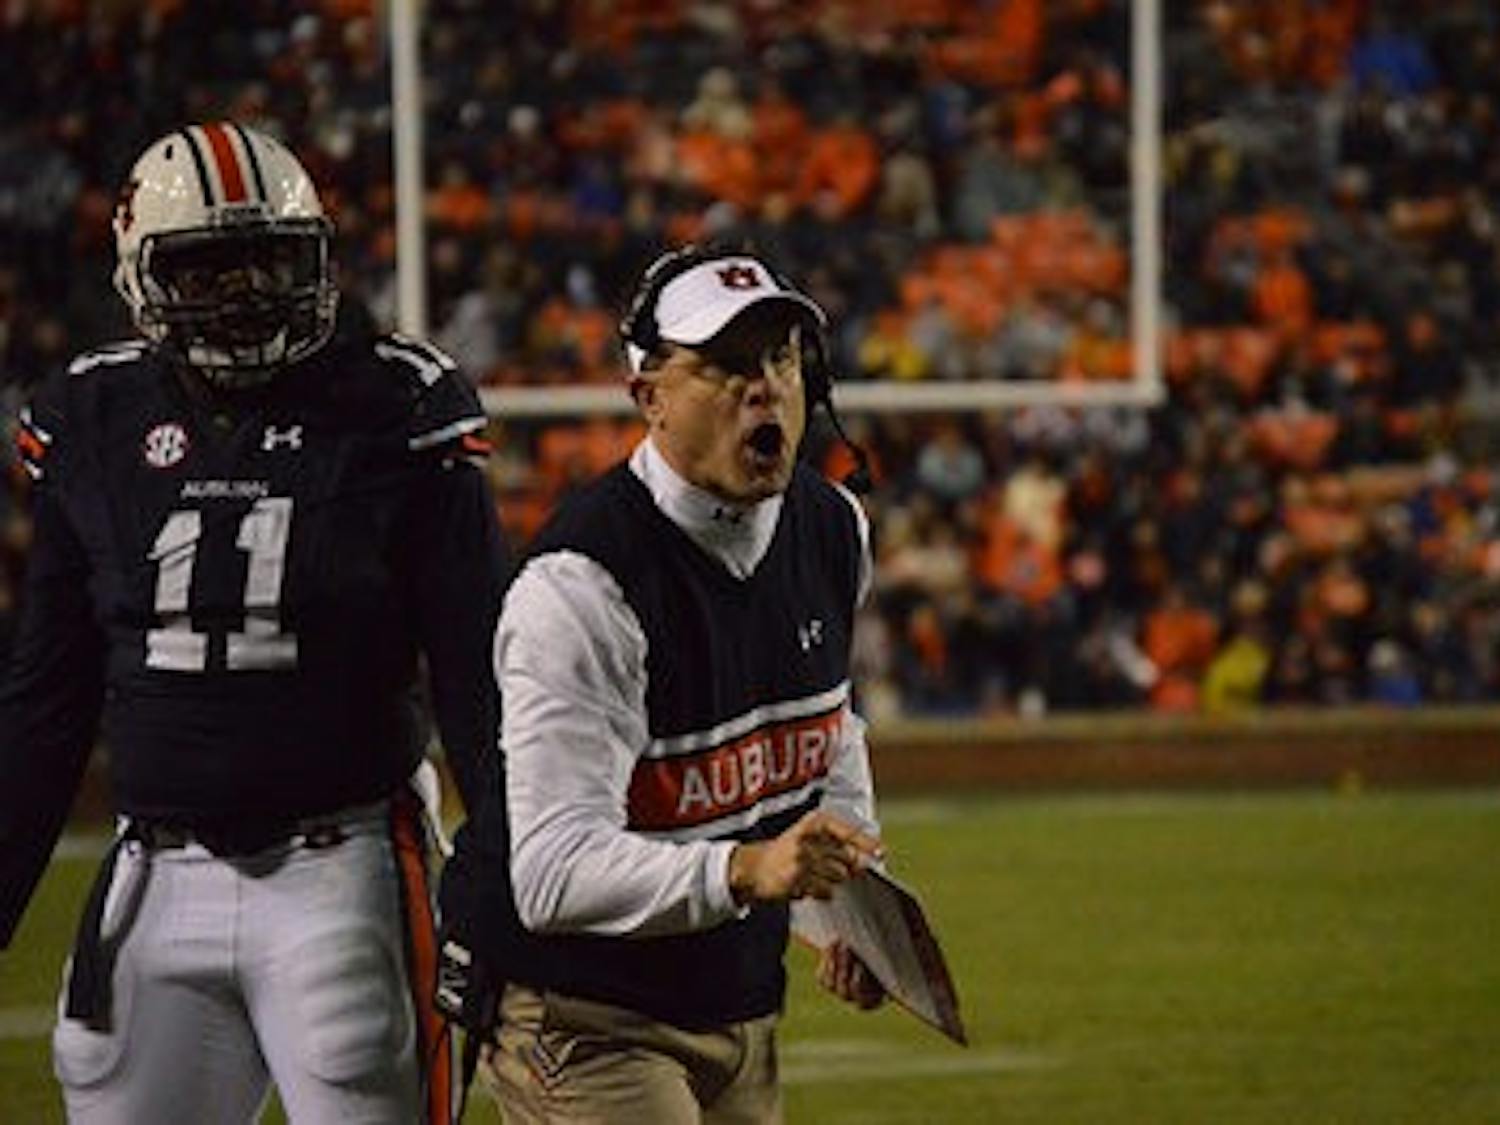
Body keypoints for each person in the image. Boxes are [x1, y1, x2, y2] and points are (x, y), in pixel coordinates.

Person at [0, 123, 510, 1124]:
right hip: (153, 868)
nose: (245, 293)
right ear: (141, 275)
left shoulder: (396, 402)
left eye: (269, 260)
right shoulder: (91, 415)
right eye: (208, 268)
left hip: (345, 867)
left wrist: (498, 891)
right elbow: (47, 697)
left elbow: (479, 680)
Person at [442, 243, 887, 1123]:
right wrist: (750, 866)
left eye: (780, 357)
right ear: (649, 397)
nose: (764, 388)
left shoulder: (833, 526)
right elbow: (553, 871)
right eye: (723, 365)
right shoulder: (582, 584)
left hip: (735, 994)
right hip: (580, 1006)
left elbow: (826, 729)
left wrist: (855, 908)